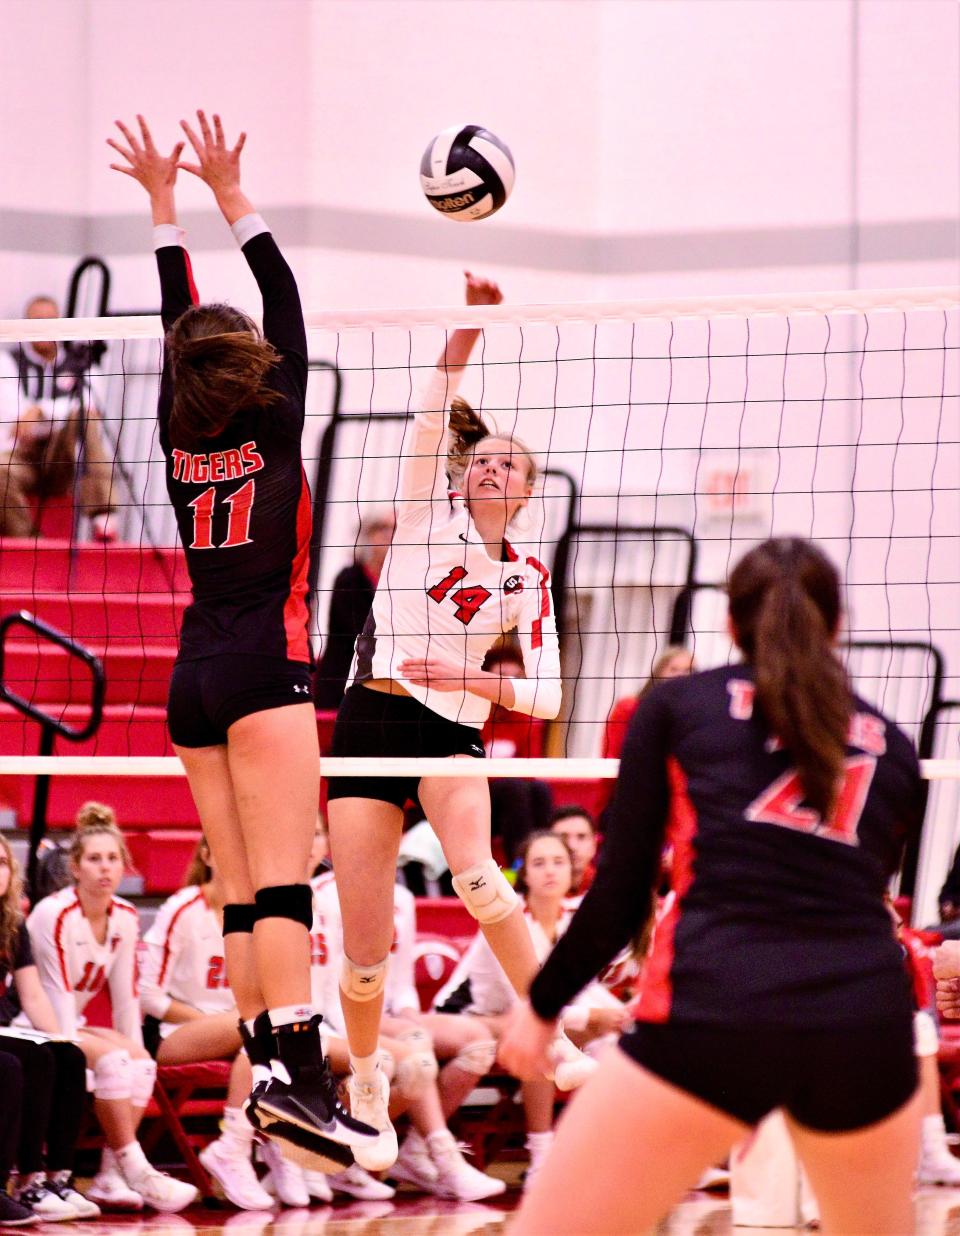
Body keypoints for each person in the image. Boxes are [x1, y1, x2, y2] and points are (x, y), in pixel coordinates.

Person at [501, 537, 925, 1236]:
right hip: (866, 1028)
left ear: (729, 625)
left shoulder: (676, 706)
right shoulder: (896, 746)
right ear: (838, 626)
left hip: (717, 1007)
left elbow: (619, 893)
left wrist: (542, 1007)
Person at [107, 111, 375, 1167]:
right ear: (254, 371)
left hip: (195, 676)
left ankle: (270, 1072)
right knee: (279, 881)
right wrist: (222, 195)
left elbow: (193, 320)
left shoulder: (180, 432)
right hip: (265, 665)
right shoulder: (275, 415)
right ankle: (298, 1078)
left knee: (234, 885)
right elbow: (285, 304)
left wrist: (169, 208)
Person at [327, 270, 587, 1170]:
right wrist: (467, 332)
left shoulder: (528, 581)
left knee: (479, 878)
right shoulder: (422, 516)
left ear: (523, 492)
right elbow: (433, 409)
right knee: (366, 948)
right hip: (371, 721)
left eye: (507, 463)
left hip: (451, 730)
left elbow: (549, 696)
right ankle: (365, 1079)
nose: (489, 465)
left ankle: (547, 1030)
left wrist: (475, 676)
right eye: (482, 458)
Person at [307, 821, 503, 1202]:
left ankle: (415, 1148)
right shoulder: (322, 896)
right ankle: (440, 1156)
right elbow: (330, 984)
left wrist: (410, 1013)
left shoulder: (401, 897)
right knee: (415, 1054)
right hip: (343, 1014)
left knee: (476, 1044)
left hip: (386, 1012)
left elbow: (401, 983)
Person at [25, 806, 198, 1212]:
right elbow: (56, 995)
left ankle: (110, 1175)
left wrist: (139, 1055)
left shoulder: (125, 915)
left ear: (124, 865)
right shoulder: (55, 912)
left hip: (73, 1022)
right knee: (117, 1061)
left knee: (139, 1062)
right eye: (94, 859)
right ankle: (137, 1167)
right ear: (75, 867)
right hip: (33, 1022)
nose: (105, 868)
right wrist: (79, 1056)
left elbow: (126, 1001)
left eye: (113, 858)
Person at [434, 830, 626, 1190]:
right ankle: (541, 1159)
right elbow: (531, 1004)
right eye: (539, 863)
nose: (550, 871)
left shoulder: (572, 922)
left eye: (558, 862)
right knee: (542, 1038)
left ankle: (613, 1152)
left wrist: (620, 1017)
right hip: (468, 1018)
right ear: (523, 875)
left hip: (516, 1018)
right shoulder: (508, 922)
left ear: (574, 871)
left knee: (613, 1043)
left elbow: (587, 991)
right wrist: (593, 1018)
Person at [139, 839, 274, 1211]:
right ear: (207, 856)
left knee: (262, 1037)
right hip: (169, 1035)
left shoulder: (257, 914)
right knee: (256, 1027)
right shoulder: (182, 908)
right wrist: (214, 1024)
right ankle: (239, 1148)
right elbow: (149, 995)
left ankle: (249, 1147)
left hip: (241, 1034)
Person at [0, 835, 96, 1223]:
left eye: (3, 862)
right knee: (10, 1065)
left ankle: (49, 1178)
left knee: (66, 1054)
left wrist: (59, 1034)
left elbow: (33, 995)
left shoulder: (11, 925)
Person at [0, 295, 116, 540]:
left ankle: (104, 514)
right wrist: (59, 413)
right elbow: (17, 420)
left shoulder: (82, 364)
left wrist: (41, 411)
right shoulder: (7, 362)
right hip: (21, 457)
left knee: (83, 417)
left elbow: (91, 407)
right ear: (24, 325)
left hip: (61, 460)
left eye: (50, 320)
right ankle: (30, 542)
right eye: (36, 321)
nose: (43, 328)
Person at [313, 508, 395, 710]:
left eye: (396, 529)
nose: (392, 536)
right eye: (383, 529)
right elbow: (361, 632)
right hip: (341, 682)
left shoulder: (401, 582)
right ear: (368, 535)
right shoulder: (350, 578)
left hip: (381, 686)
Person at [602, 645, 695, 762]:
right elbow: (612, 756)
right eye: (674, 669)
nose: (681, 676)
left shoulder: (694, 714)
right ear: (658, 673)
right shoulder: (629, 707)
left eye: (688, 670)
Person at [549, 806, 599, 899]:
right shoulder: (521, 879)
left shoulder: (607, 886)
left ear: (594, 844)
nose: (572, 846)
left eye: (581, 837)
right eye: (563, 837)